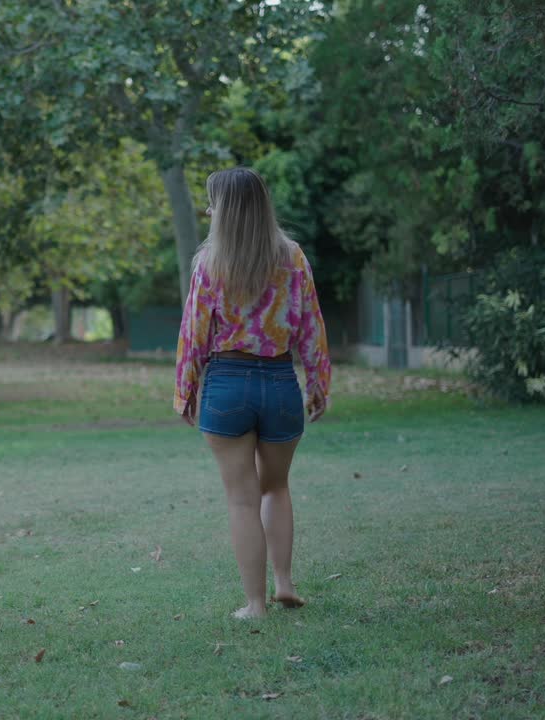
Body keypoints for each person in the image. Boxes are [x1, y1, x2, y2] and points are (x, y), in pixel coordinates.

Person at [174, 167, 332, 619]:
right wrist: (319, 382)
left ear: (223, 210)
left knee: (242, 498)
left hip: (226, 386)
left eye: (211, 202)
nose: (207, 209)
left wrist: (185, 389)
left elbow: (194, 333)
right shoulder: (293, 256)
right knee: (276, 487)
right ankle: (284, 582)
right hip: (281, 384)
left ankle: (255, 604)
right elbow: (310, 324)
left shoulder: (208, 263)